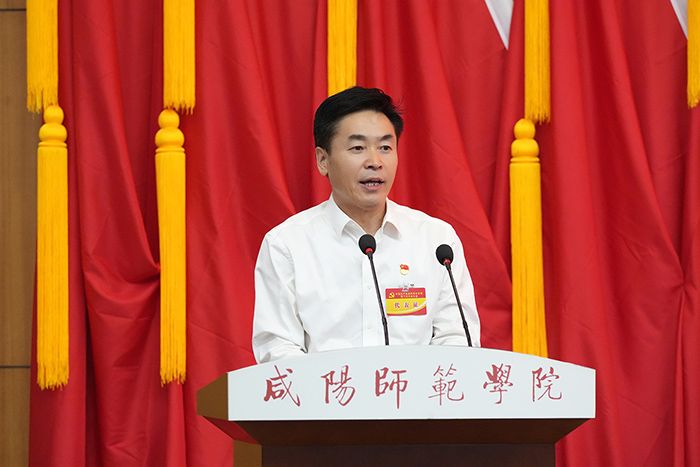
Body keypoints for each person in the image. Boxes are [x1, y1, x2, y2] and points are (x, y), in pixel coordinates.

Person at [252, 86, 480, 363]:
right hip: (328, 391)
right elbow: (278, 351)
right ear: (323, 160)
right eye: (358, 148)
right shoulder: (287, 244)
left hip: (415, 391)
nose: (375, 162)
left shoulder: (436, 240)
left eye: (385, 147)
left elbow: (457, 339)